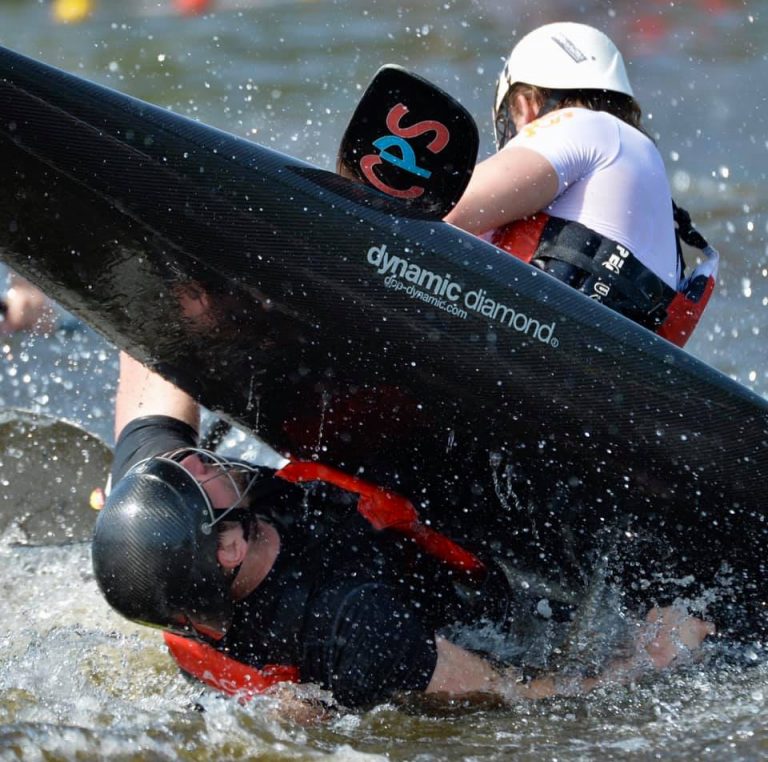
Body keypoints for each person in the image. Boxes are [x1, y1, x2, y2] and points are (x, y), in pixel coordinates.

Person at [92, 351, 714, 711]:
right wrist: (645, 661)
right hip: (461, 609)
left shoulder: (152, 514)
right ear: (228, 548)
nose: (197, 460)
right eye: (199, 476)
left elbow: (152, 384)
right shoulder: (354, 624)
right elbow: (514, 694)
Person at [444, 21, 719, 348]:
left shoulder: (583, 125)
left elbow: (446, 209)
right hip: (603, 373)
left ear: (526, 105)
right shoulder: (652, 190)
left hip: (531, 346)